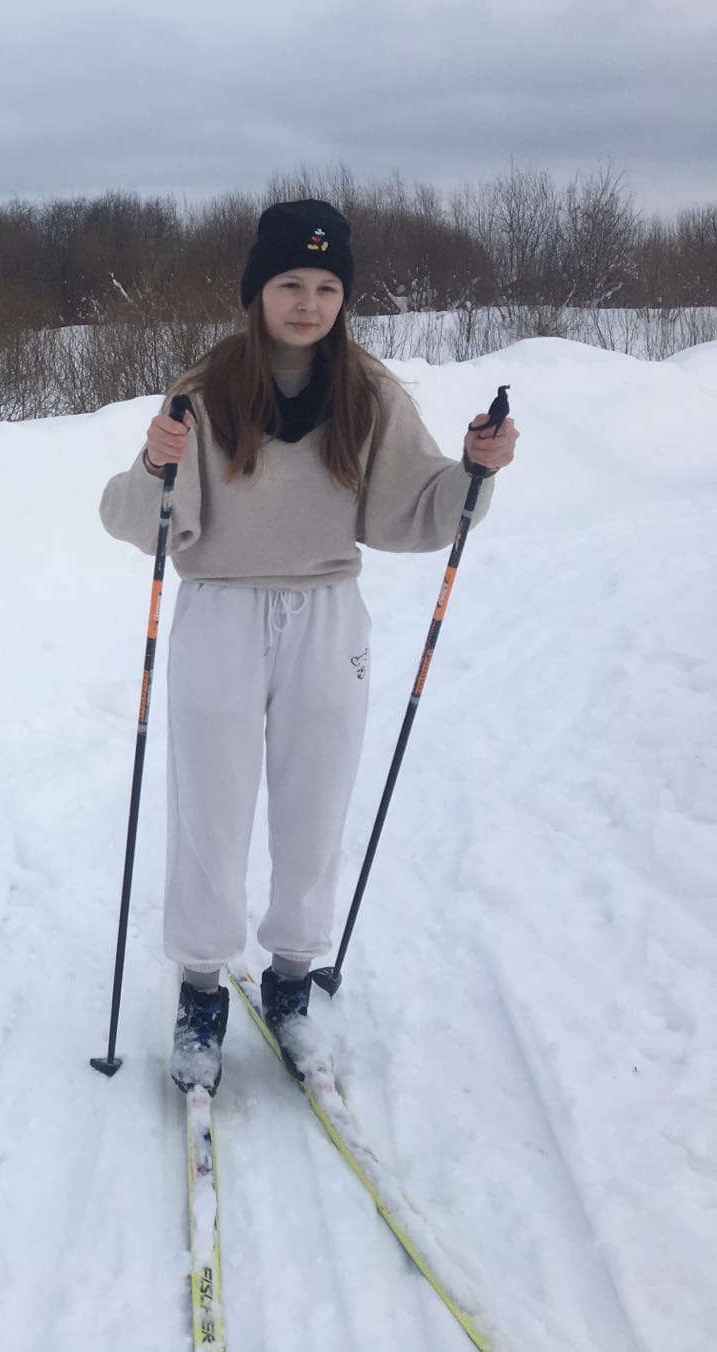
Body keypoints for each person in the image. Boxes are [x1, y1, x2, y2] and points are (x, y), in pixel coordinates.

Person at [97, 199, 518, 1094]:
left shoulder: (369, 392)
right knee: (211, 805)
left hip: (327, 612)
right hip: (222, 609)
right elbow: (140, 520)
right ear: (257, 290)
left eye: (327, 287)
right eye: (290, 282)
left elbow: (419, 507)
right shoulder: (206, 387)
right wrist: (156, 462)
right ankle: (202, 991)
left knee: (315, 802)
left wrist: (475, 471)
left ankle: (292, 983)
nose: (308, 302)